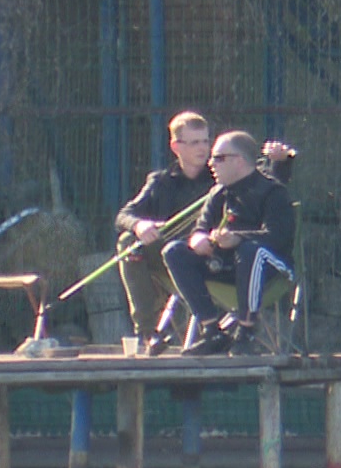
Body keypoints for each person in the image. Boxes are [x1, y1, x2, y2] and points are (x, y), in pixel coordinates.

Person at [163, 130, 296, 356]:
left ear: (240, 160)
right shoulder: (218, 193)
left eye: (219, 158)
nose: (211, 164)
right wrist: (199, 240)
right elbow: (200, 229)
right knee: (174, 251)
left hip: (270, 268)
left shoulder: (273, 192)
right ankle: (212, 330)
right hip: (228, 265)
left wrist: (237, 238)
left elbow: (278, 237)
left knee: (250, 250)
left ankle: (246, 332)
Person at [114, 112, 216, 354]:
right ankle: (148, 331)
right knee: (129, 242)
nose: (203, 148)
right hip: (169, 257)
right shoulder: (161, 181)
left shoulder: (219, 180)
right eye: (194, 143)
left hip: (210, 257)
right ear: (175, 147)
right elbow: (124, 215)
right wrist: (140, 226)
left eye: (205, 141)